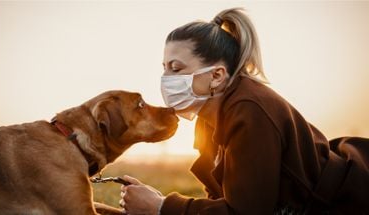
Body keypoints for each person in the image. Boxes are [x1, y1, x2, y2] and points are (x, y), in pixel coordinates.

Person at [119, 8, 369, 215]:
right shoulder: (208, 120)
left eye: (176, 68)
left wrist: (162, 207)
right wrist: (157, 202)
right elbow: (223, 200)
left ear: (217, 75)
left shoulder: (249, 109)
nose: (166, 78)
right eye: (164, 68)